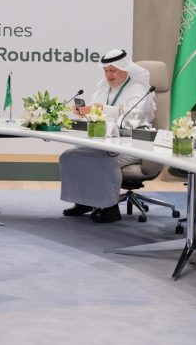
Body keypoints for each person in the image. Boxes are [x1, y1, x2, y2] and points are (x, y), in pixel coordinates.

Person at [59, 49, 156, 223]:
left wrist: (102, 109)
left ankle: (110, 208)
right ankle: (84, 202)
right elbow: (96, 115)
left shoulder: (139, 89)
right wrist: (85, 113)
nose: (109, 75)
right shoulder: (103, 88)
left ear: (124, 69)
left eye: (113, 70)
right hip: (105, 142)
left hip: (132, 144)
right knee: (70, 156)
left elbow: (133, 116)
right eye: (106, 71)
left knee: (103, 160)